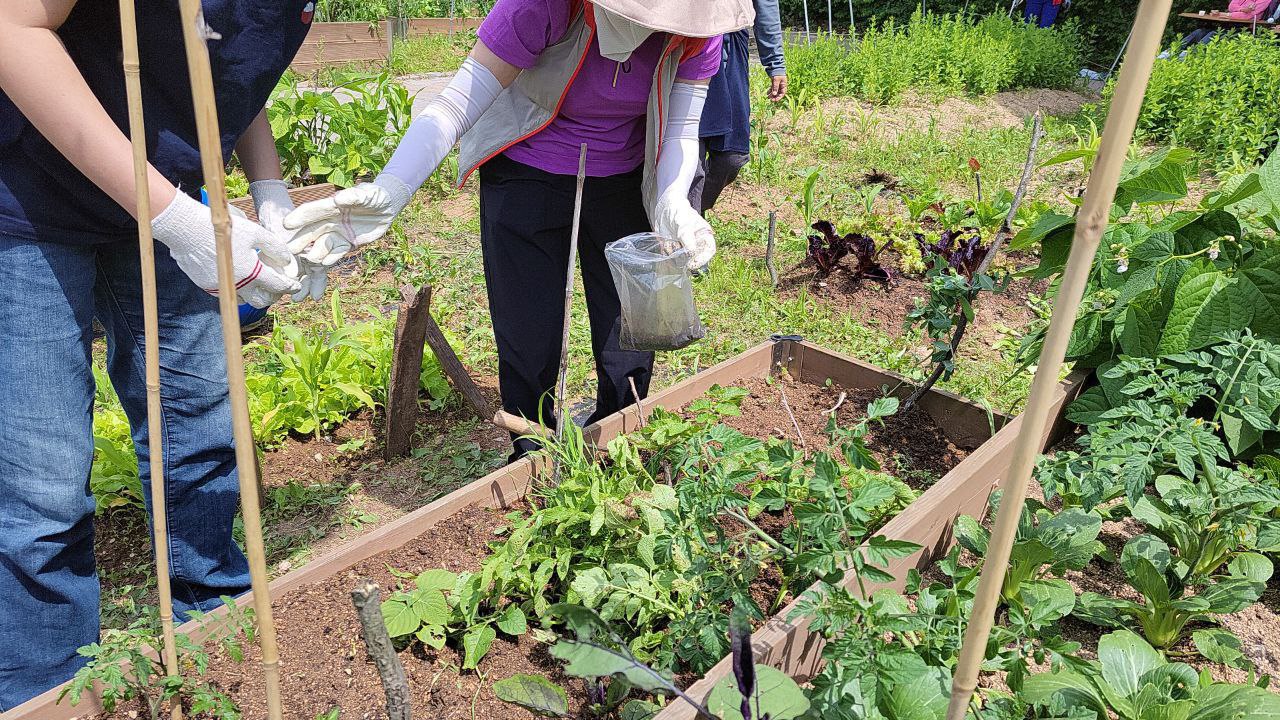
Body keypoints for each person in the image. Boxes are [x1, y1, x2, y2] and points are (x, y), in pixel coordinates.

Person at [0, 1, 309, 708]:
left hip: (170, 186)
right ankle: (45, 690)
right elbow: (10, 25)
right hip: (29, 196)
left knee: (198, 428)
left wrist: (267, 185)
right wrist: (174, 218)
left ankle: (211, 632)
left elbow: (220, 51)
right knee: (41, 488)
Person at [284, 0, 752, 458]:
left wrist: (671, 200)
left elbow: (681, 131)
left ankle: (618, 443)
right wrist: (393, 188)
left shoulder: (698, 31)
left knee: (626, 332)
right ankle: (533, 455)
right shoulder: (541, 6)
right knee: (530, 331)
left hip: (625, 176)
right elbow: (454, 105)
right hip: (528, 169)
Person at [690, 0, 787, 215]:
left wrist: (775, 62)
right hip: (686, 43)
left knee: (732, 157)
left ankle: (693, 212)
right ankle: (689, 229)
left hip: (731, 47)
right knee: (689, 161)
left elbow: (765, 4)